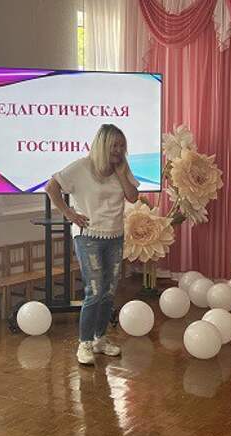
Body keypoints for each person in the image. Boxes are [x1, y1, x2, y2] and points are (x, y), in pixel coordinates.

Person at [45, 124, 139, 365]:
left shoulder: (122, 168)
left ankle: (100, 339)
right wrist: (69, 213)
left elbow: (132, 196)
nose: (119, 150)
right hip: (88, 237)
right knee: (95, 291)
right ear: (103, 145)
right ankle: (84, 343)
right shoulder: (82, 167)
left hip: (115, 236)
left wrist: (121, 173)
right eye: (114, 145)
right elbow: (51, 187)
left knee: (109, 291)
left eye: (122, 145)